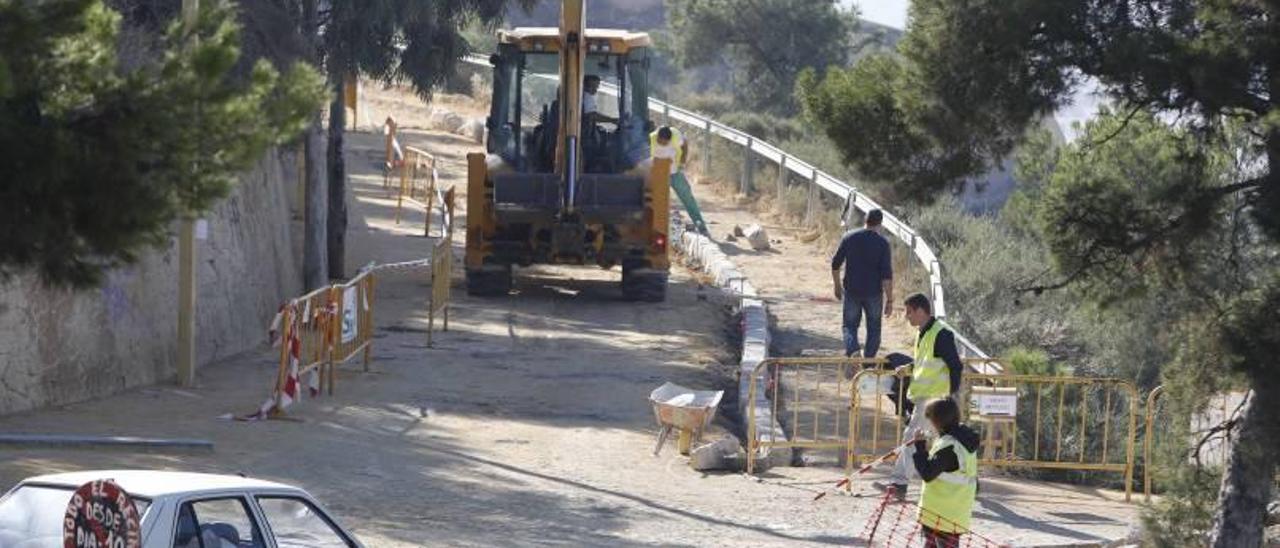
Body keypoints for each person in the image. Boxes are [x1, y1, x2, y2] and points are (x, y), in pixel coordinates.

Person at [876, 293, 965, 501]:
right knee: (942, 442)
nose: (906, 316)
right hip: (925, 399)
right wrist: (908, 367)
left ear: (920, 310)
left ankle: (899, 484)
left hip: (934, 400)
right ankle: (963, 481)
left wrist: (951, 396)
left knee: (911, 439)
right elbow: (926, 361)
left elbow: (955, 365)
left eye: (909, 311)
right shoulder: (923, 333)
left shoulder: (941, 334)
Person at [911, 397, 980, 547]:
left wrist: (920, 447)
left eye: (931, 419)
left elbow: (928, 473)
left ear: (938, 420)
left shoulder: (949, 447)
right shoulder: (964, 438)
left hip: (941, 514)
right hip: (955, 513)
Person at [830, 209, 893, 358]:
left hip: (852, 291)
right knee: (874, 329)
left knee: (849, 326)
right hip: (874, 294)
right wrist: (890, 300)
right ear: (880, 224)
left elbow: (835, 264)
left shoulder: (849, 237)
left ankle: (853, 351)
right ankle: (868, 362)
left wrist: (837, 286)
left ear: (865, 220)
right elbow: (886, 276)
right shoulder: (883, 244)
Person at [651, 126, 709, 235]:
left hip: (675, 173)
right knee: (658, 201)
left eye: (665, 143)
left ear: (670, 139)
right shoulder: (650, 139)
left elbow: (685, 143)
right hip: (659, 175)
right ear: (657, 138)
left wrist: (683, 159)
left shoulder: (675, 135)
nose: (663, 144)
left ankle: (701, 226)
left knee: (688, 198)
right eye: (661, 142)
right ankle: (657, 229)